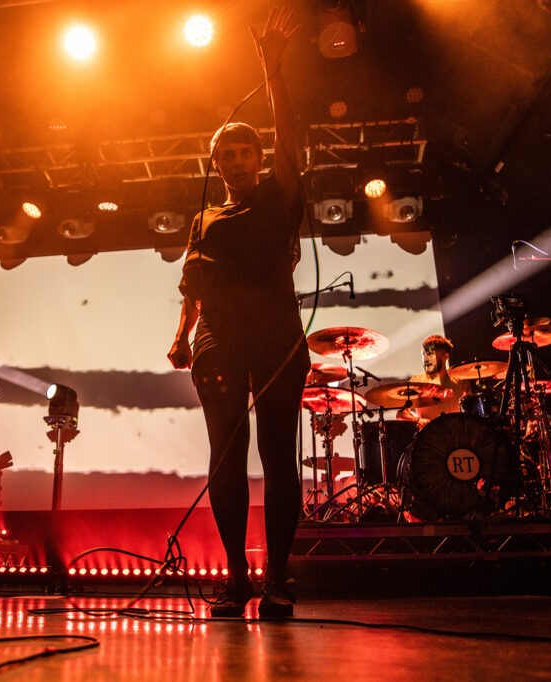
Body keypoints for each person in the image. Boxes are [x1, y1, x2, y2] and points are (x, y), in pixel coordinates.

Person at [167, 5, 308, 618]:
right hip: (218, 340)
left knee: (280, 457)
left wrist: (272, 73)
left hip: (276, 333)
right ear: (218, 165)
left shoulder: (279, 197)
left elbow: (291, 139)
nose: (239, 159)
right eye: (229, 154)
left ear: (259, 157)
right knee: (225, 457)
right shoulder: (205, 218)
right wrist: (181, 335)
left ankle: (277, 579)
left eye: (247, 150)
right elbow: (191, 282)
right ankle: (235, 578)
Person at [400, 335, 470, 427]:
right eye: (423, 355)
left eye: (430, 354)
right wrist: (418, 420)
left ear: (445, 356)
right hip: (428, 437)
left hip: (455, 436)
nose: (425, 359)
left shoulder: (460, 382)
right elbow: (401, 414)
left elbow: (471, 413)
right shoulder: (416, 382)